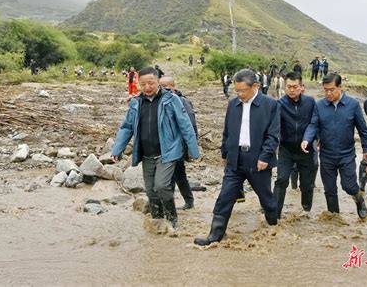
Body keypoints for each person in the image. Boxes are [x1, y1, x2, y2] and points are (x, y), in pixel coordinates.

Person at [194, 69, 279, 246]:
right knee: (225, 196)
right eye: (237, 91)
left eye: (243, 91)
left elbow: (273, 135)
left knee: (266, 199)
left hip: (258, 161)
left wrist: (265, 156)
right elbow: (227, 132)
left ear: (256, 86)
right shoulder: (233, 104)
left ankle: (274, 228)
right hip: (235, 158)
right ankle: (215, 235)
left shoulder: (270, 105)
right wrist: (225, 153)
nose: (239, 94)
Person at [111, 67, 200, 228]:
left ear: (158, 81)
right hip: (146, 153)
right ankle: (157, 222)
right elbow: (126, 127)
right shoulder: (136, 103)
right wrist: (117, 150)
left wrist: (193, 151)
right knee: (151, 191)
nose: (147, 87)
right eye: (143, 84)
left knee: (161, 186)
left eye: (151, 83)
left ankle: (172, 220)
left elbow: (185, 125)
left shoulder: (171, 100)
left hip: (168, 151)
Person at [302, 73, 367, 220]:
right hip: (326, 154)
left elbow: (363, 130)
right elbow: (313, 125)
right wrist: (307, 139)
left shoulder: (352, 105)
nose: (328, 93)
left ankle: (359, 199)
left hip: (346, 154)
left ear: (340, 88)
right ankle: (335, 219)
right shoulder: (319, 105)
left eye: (332, 89)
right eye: (325, 89)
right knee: (329, 189)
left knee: (349, 186)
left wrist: (366, 149)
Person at [273, 72, 317, 217]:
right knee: (281, 180)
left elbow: (314, 123)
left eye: (295, 87)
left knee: (306, 183)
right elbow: (275, 126)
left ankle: (306, 210)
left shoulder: (310, 102)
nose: (292, 90)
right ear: (284, 87)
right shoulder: (279, 104)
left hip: (306, 150)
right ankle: (275, 214)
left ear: (301, 87)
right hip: (286, 149)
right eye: (289, 87)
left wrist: (311, 139)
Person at [159, 76, 198, 210]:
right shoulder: (160, 101)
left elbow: (191, 125)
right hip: (163, 146)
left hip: (178, 145)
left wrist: (190, 147)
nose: (163, 89)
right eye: (161, 86)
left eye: (166, 86)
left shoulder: (182, 101)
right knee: (175, 174)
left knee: (176, 174)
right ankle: (179, 202)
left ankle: (184, 202)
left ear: (173, 86)